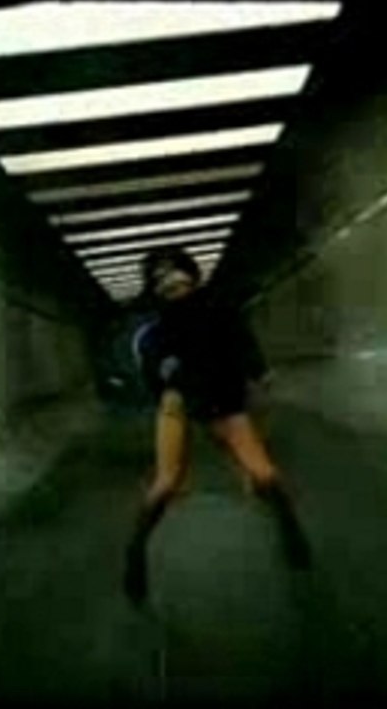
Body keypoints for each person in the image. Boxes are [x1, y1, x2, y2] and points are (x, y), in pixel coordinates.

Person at [124, 247, 312, 606]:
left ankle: (292, 534)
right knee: (167, 482)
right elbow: (156, 373)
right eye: (160, 278)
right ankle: (135, 555)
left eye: (174, 272)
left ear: (192, 276)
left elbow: (244, 346)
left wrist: (259, 373)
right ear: (154, 288)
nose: (170, 281)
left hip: (223, 403)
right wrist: (171, 385)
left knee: (264, 474)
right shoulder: (155, 332)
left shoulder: (222, 312)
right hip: (180, 404)